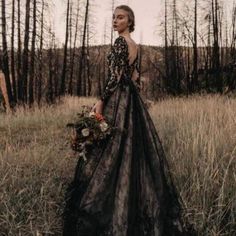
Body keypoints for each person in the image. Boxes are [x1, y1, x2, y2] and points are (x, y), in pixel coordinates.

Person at [62, 5, 193, 236]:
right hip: (131, 98)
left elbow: (115, 76)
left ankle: (106, 202)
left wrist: (101, 101)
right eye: (114, 17)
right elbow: (134, 76)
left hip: (118, 98)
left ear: (130, 21)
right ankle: (131, 200)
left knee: (110, 146)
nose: (115, 21)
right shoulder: (135, 46)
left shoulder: (121, 43)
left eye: (120, 17)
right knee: (130, 149)